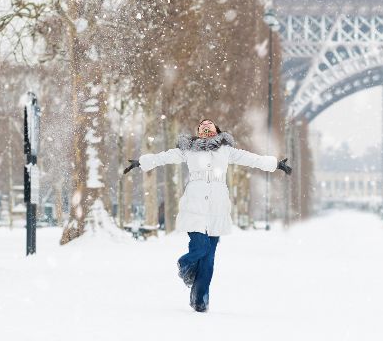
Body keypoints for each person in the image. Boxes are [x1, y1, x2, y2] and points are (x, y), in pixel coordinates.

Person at [124, 119, 292, 312]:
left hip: (217, 209)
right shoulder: (189, 150)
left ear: (216, 131)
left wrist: (275, 164)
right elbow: (164, 157)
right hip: (194, 206)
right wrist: (141, 162)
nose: (206, 130)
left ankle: (200, 301)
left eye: (209, 127)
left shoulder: (226, 151)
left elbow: (251, 158)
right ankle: (184, 264)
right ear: (198, 132)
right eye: (202, 128)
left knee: (209, 259)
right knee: (200, 247)